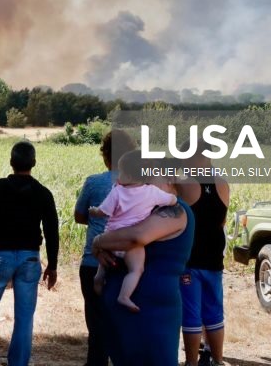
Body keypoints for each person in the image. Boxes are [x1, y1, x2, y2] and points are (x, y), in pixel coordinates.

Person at [0, 141, 59, 366]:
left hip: (0, 257)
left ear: (11, 162)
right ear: (34, 163)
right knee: (24, 318)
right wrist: (52, 265)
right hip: (30, 258)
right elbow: (51, 231)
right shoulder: (43, 193)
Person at [92, 198, 195, 366]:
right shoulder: (137, 203)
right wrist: (102, 247)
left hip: (150, 314)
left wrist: (98, 241)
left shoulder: (174, 209)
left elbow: (136, 236)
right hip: (121, 311)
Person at [73, 129, 136, 366]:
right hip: (127, 263)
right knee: (124, 323)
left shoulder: (93, 182)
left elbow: (79, 215)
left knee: (96, 322)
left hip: (93, 261)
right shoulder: (141, 184)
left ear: (105, 155)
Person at [89, 150, 177, 312]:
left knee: (104, 262)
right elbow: (171, 200)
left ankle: (99, 277)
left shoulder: (117, 191)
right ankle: (124, 296)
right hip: (130, 243)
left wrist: (93, 211)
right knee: (136, 269)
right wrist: (174, 198)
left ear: (129, 175)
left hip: (111, 237)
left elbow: (103, 211)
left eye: (121, 172)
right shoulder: (152, 192)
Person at [177, 141, 230, 366]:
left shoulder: (185, 183)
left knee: (191, 313)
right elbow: (222, 220)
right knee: (214, 313)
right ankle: (217, 360)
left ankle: (191, 362)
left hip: (191, 259)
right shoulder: (222, 184)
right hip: (214, 258)